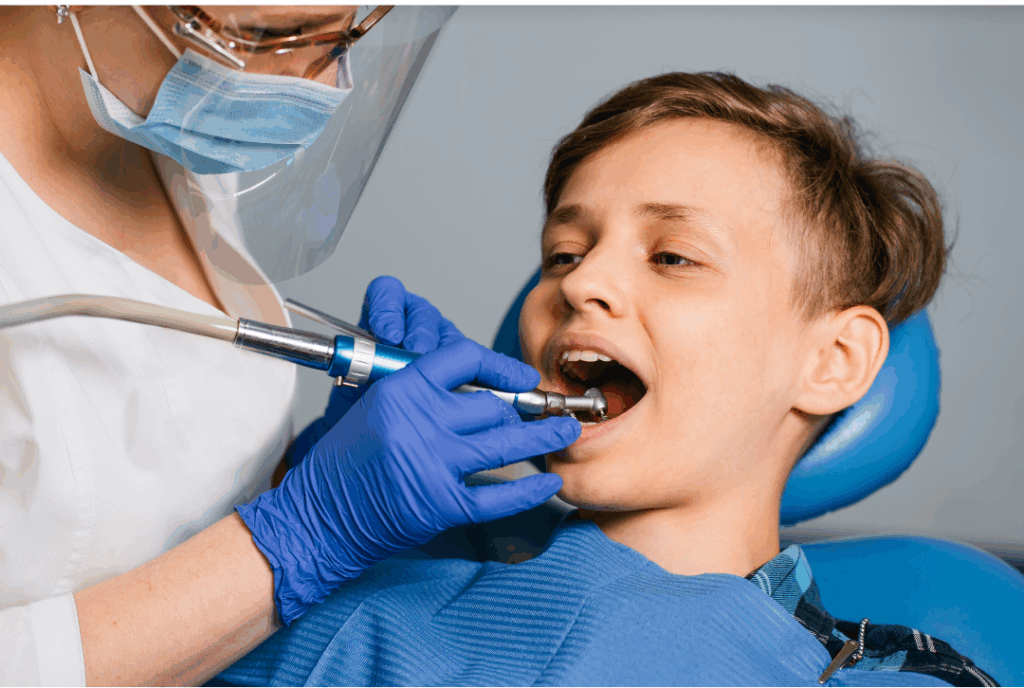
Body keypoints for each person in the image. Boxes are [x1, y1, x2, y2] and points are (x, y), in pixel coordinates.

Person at [216, 73, 997, 686]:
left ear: (831, 362)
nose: (579, 281)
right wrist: (302, 490)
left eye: (672, 256)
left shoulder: (894, 675)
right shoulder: (389, 567)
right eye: (564, 252)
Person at [0, 6, 576, 685]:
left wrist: (307, 468)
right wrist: (303, 536)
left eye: (347, 28)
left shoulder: (159, 116)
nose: (322, 82)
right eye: (271, 38)